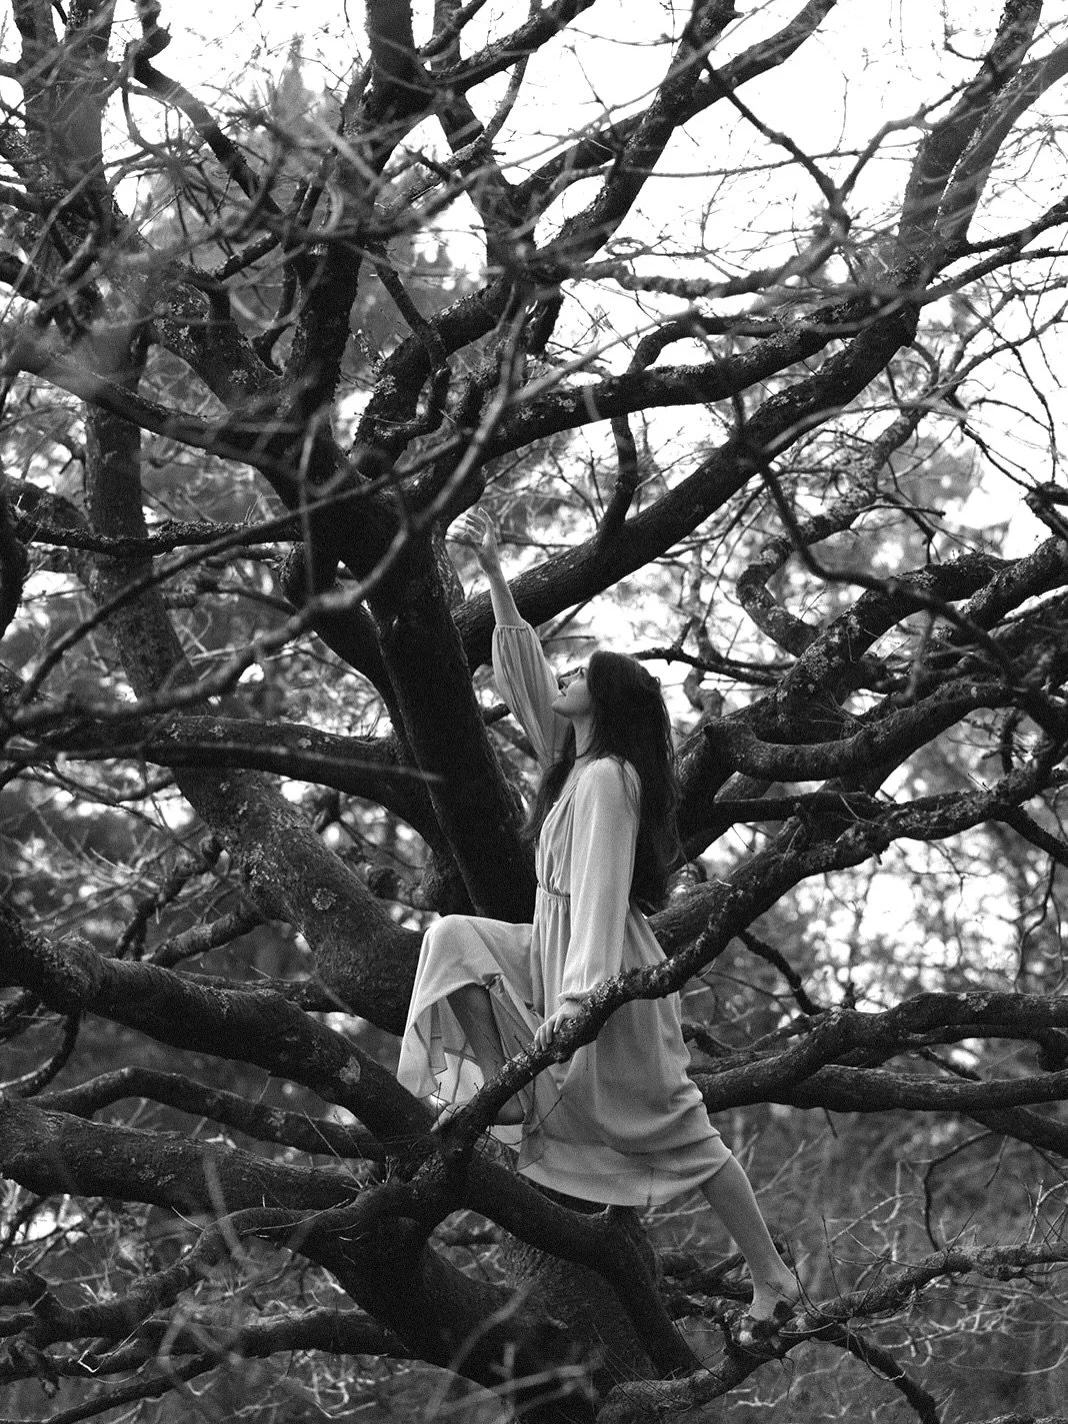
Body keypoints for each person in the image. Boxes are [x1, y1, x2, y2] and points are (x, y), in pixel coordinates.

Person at [397, 510, 800, 1335]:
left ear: (605, 701)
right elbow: (522, 675)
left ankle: (774, 1275)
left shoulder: (612, 776)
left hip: (606, 969)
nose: (566, 676)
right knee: (450, 937)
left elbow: (605, 888)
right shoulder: (570, 761)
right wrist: (495, 569)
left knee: (680, 1127)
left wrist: (582, 1001)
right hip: (553, 952)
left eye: (583, 672)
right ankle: (502, 1094)